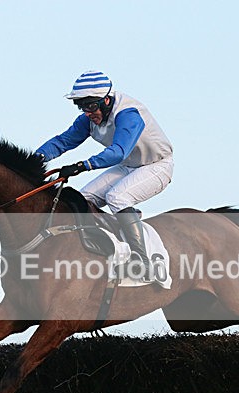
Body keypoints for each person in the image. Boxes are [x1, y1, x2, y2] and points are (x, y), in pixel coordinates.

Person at [35, 70, 173, 283]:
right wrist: (32, 160)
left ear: (107, 100)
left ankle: (141, 261)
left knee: (118, 198)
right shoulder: (88, 119)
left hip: (157, 166)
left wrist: (82, 165)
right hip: (128, 166)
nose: (87, 113)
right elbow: (62, 141)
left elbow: (118, 151)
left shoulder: (128, 114)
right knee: (83, 199)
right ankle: (101, 251)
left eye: (91, 106)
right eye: (82, 106)